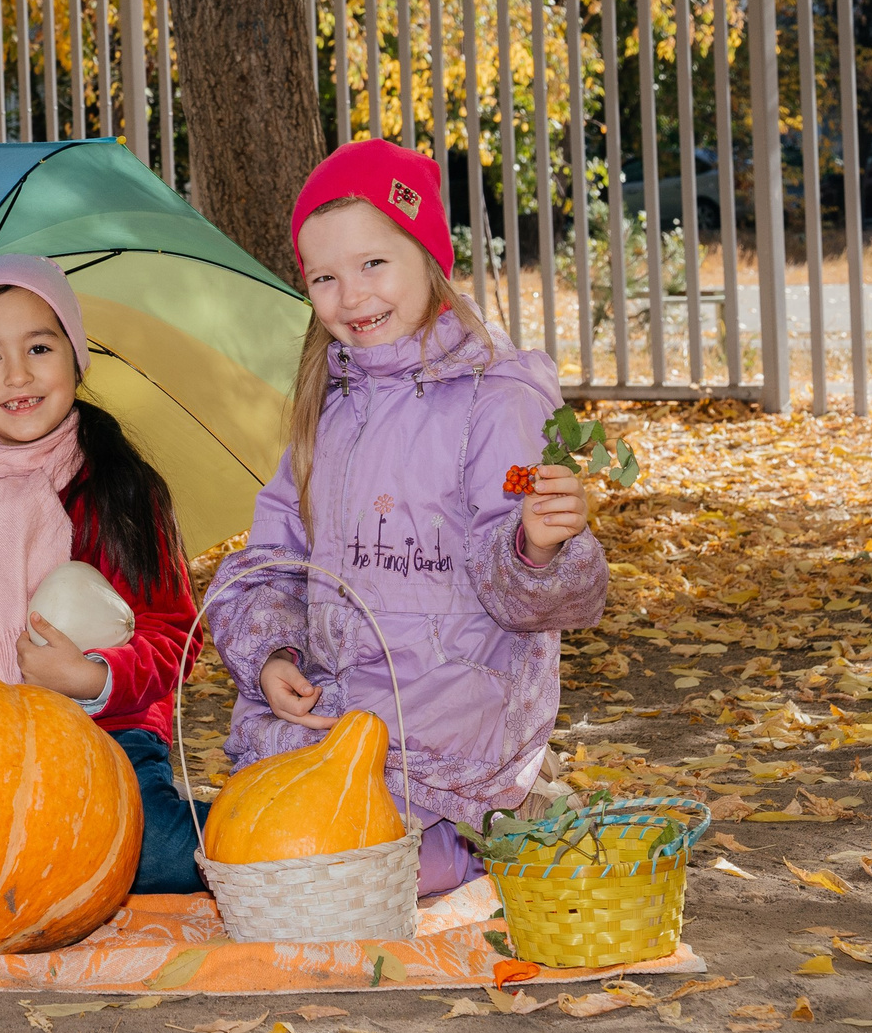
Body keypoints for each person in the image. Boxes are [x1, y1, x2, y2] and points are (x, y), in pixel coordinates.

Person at [203, 140, 602, 896]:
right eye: (324, 276)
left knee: (343, 871)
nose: (351, 296)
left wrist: (536, 546)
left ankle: (481, 836)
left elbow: (527, 589)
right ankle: (383, 844)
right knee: (264, 850)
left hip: (445, 730)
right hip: (335, 723)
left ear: (428, 257)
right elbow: (271, 560)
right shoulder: (329, 407)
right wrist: (274, 657)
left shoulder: (497, 401)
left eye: (374, 264)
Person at [0, 256, 204, 894]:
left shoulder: (121, 489)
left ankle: (257, 834)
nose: (17, 374)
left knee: (151, 855)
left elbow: (175, 633)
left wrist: (93, 677)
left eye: (39, 347)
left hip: (108, 730)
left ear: (76, 358)